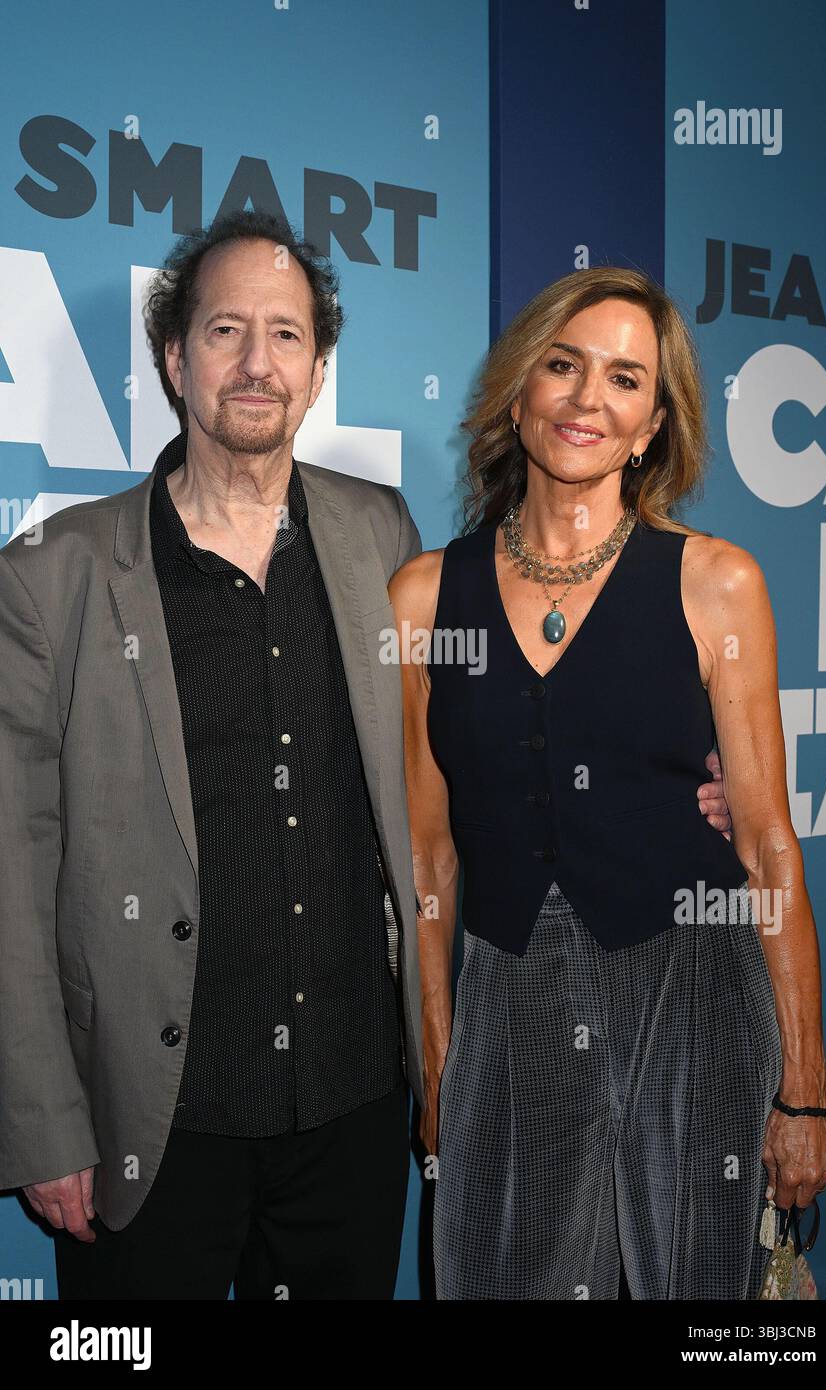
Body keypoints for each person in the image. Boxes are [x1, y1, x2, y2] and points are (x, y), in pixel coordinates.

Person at [389, 266, 826, 1300]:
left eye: (625, 379)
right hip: (511, 1002)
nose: (588, 398)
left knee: (705, 1295)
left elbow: (767, 844)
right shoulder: (423, 595)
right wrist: (437, 1055)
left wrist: (804, 1089)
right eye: (563, 365)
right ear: (518, 392)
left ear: (651, 423)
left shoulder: (714, 580)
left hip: (694, 991)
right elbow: (426, 853)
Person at [0, 210, 425, 1299]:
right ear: (174, 358)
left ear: (319, 369)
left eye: (286, 335)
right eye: (225, 328)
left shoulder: (380, 533)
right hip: (151, 1124)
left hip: (350, 1106)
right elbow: (8, 866)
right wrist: (44, 1122)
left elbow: (446, 761)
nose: (255, 361)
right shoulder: (55, 572)